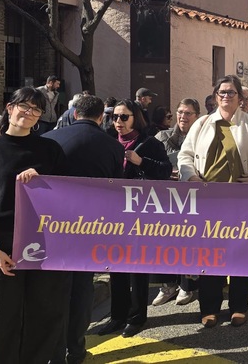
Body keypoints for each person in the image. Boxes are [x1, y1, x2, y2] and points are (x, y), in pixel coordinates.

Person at [0, 87, 68, 362]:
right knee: (1, 322)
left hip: (46, 245)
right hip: (3, 245)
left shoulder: (50, 149)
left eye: (37, 109)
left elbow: (70, 194)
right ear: (10, 108)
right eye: (25, 106)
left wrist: (44, 177)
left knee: (44, 317)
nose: (30, 113)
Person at [178, 75, 248, 329]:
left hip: (242, 201)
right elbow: (184, 156)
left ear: (240, 98)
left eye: (231, 92)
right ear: (214, 96)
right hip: (209, 202)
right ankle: (209, 308)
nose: (226, 96)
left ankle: (239, 306)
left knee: (241, 254)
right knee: (209, 256)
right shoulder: (202, 124)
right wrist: (190, 177)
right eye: (222, 92)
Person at [42, 95, 124, 364]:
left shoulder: (52, 139)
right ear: (102, 117)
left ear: (75, 113)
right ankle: (75, 349)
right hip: (92, 224)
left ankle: (53, 350)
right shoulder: (112, 146)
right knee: (81, 288)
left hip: (54, 222)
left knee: (54, 288)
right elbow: (116, 187)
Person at [96, 99, 172, 338]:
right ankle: (117, 316)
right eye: (115, 117)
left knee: (137, 267)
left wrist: (142, 162)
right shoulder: (107, 141)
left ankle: (137, 317)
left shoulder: (149, 143)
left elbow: (164, 170)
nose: (118, 121)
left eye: (124, 117)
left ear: (135, 118)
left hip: (140, 213)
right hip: (113, 212)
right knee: (116, 265)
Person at [152, 98, 201, 306]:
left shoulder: (201, 137)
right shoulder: (162, 136)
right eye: (180, 112)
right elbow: (151, 162)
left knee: (188, 242)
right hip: (166, 197)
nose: (183, 116)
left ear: (196, 116)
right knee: (167, 242)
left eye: (188, 113)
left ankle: (187, 286)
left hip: (192, 198)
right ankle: (168, 285)